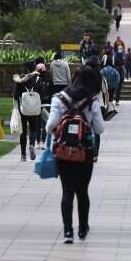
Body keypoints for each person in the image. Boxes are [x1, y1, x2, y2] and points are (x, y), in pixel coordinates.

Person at [47, 66, 107, 243]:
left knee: (67, 191)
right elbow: (100, 128)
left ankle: (67, 231)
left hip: (63, 152)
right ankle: (83, 228)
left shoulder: (59, 99)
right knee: (82, 191)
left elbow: (50, 125)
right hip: (84, 153)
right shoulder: (92, 102)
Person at [13, 61, 46, 161]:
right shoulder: (37, 79)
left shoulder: (20, 79)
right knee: (33, 129)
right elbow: (42, 93)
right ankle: (31, 144)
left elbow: (15, 95)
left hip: (23, 108)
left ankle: (23, 155)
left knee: (23, 131)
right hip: (34, 108)